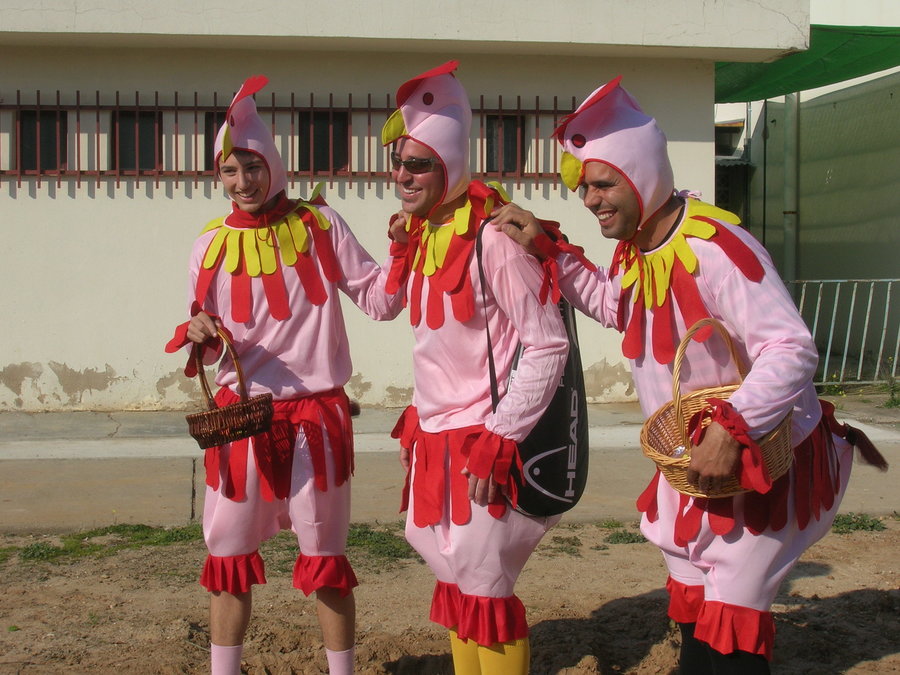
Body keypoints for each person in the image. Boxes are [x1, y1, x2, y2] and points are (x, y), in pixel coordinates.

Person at [491, 77, 887, 674]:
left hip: (754, 461)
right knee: (694, 615)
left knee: (729, 630)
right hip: (689, 463)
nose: (592, 200)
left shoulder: (717, 247)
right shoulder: (636, 248)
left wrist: (732, 426)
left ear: (643, 174)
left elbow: (791, 348)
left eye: (604, 184)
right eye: (585, 188)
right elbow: (616, 306)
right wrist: (549, 250)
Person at [165, 75, 404, 675]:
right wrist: (200, 332)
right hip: (240, 421)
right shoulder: (209, 245)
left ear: (273, 164)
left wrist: (406, 247)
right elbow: (209, 343)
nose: (243, 182)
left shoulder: (321, 224)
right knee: (227, 558)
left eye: (252, 166)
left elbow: (380, 301)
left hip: (315, 419)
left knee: (325, 558)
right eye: (229, 171)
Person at [382, 60, 569, 674]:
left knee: (485, 586)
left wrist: (502, 434)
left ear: (451, 164)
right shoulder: (422, 234)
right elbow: (412, 326)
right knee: (458, 583)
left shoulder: (493, 239)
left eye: (418, 164)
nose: (402, 175)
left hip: (483, 440)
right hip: (434, 437)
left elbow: (548, 345)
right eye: (399, 161)